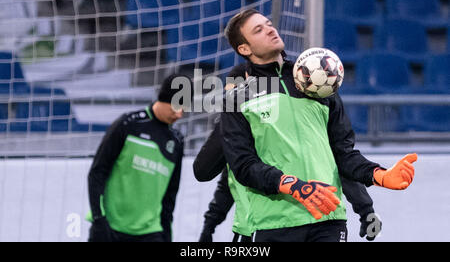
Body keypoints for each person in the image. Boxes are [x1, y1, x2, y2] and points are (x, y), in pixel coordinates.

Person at [219, 8, 417, 242]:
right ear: (244, 49)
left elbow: (343, 154)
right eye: (258, 30)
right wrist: (292, 185)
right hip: (273, 223)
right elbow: (243, 165)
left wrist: (378, 174)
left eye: (269, 23)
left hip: (328, 219)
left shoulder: (317, 80)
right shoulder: (238, 98)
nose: (270, 29)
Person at [196, 63, 381, 242]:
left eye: (238, 90)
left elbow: (337, 163)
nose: (234, 98)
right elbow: (224, 185)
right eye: (230, 94)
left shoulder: (282, 126)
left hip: (310, 222)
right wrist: (209, 226)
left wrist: (365, 209)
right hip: (252, 228)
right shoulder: (234, 133)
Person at [87, 73, 192, 242]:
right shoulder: (128, 125)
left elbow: (170, 196)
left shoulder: (176, 141)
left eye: (184, 109)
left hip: (150, 232)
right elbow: (97, 172)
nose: (179, 115)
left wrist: (167, 235)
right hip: (111, 228)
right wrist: (99, 219)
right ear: (163, 99)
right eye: (175, 108)